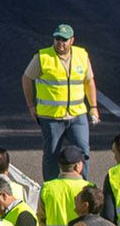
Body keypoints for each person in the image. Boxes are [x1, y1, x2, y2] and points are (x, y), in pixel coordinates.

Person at [21, 24, 99, 182]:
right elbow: (26, 78)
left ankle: (82, 187)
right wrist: (31, 105)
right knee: (51, 155)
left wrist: (93, 107)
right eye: (57, 38)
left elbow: (89, 81)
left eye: (64, 39)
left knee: (83, 151)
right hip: (51, 117)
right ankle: (50, 187)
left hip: (77, 116)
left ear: (72, 40)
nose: (60, 42)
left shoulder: (81, 55)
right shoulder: (43, 57)